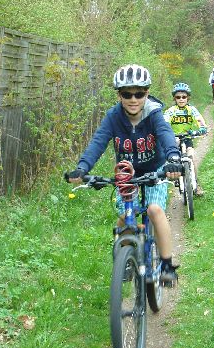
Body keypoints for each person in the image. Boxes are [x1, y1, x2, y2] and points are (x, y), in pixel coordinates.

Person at [66, 64, 182, 283]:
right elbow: (98, 142)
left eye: (139, 94)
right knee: (126, 217)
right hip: (126, 174)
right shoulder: (113, 117)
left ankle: (167, 265)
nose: (133, 99)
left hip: (154, 171)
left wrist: (173, 160)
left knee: (154, 210)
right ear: (119, 95)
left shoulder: (154, 114)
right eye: (127, 94)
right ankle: (124, 257)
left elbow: (166, 134)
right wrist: (82, 168)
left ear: (147, 93)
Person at [164, 83, 207, 196]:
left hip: (187, 137)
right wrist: (167, 133)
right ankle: (174, 176)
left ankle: (196, 184)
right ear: (174, 98)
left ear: (188, 98)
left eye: (184, 97)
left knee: (191, 157)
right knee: (174, 158)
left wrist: (202, 128)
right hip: (174, 138)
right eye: (178, 97)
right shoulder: (171, 111)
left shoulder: (191, 110)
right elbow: (164, 122)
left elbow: (199, 120)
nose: (181, 99)